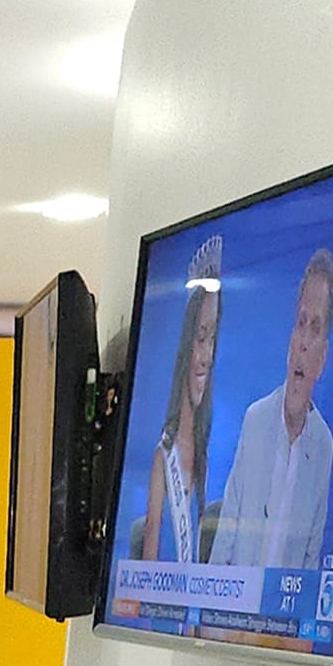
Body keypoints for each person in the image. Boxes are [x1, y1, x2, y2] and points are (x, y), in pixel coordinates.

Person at [211, 248, 333, 569]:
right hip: (237, 598)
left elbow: (311, 557)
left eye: (315, 328)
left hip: (281, 603)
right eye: (300, 323)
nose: (304, 341)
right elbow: (226, 533)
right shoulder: (256, 420)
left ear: (323, 357)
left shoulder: (323, 445)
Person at [130, 234, 224, 562]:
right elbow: (148, 565)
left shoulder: (202, 453)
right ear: (186, 346)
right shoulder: (162, 458)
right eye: (200, 337)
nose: (206, 356)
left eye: (212, 340)